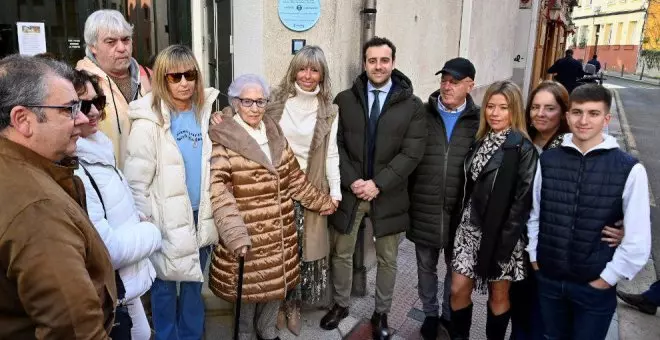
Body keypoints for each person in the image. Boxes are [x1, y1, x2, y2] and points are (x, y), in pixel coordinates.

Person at [207, 74, 336, 340]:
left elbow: (295, 180)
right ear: (235, 103)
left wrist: (324, 202)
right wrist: (234, 234)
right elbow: (219, 192)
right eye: (247, 102)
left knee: (275, 289)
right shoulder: (224, 138)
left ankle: (266, 332)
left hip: (279, 235)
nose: (254, 108)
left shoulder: (274, 134)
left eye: (260, 102)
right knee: (248, 294)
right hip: (248, 233)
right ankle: (245, 334)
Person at [0, 55, 116, 338]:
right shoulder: (38, 209)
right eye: (68, 109)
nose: (81, 118)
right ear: (23, 120)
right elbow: (74, 330)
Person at [321, 36, 427, 339]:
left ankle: (381, 313)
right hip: (351, 192)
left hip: (388, 194)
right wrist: (353, 180)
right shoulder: (345, 100)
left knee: (387, 259)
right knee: (340, 252)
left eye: (384, 60)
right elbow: (335, 145)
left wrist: (378, 184)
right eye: (372, 60)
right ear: (364, 63)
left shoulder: (412, 105)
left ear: (392, 62)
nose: (378, 66)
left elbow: (412, 153)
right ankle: (340, 304)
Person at [527, 84, 651, 340]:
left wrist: (607, 278)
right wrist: (535, 258)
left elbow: (638, 237)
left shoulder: (629, 169)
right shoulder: (548, 161)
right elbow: (536, 214)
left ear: (606, 119)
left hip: (594, 286)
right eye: (577, 112)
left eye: (593, 114)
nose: (583, 120)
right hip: (549, 279)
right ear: (568, 115)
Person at [509, 81, 624, 340]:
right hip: (518, 244)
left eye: (550, 108)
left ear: (563, 112)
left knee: (545, 321)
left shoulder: (571, 149)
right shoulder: (519, 139)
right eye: (535, 107)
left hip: (552, 251)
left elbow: (601, 195)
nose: (541, 113)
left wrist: (623, 228)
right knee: (520, 314)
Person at [123, 45, 219, 340]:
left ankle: (191, 335)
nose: (183, 83)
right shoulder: (148, 121)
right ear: (162, 78)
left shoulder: (205, 114)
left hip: (198, 214)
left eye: (189, 75)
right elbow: (137, 182)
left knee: (193, 284)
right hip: (162, 219)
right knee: (164, 287)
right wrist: (146, 224)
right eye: (174, 77)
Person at [71, 69, 163, 340]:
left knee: (143, 333)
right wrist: (152, 233)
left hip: (123, 285)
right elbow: (106, 250)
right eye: (80, 105)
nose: (93, 113)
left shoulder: (99, 149)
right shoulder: (78, 170)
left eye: (97, 102)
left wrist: (136, 219)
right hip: (109, 289)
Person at [449, 80, 537, 340]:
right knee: (458, 290)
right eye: (490, 106)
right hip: (469, 228)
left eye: (503, 107)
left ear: (515, 111)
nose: (495, 113)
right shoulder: (480, 141)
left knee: (499, 296)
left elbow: (522, 202)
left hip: (502, 235)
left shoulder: (523, 148)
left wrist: (503, 245)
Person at [266, 45, 341, 335]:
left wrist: (335, 192)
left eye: (314, 69)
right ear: (293, 69)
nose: (307, 75)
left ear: (322, 74)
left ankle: (293, 306)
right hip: (276, 189)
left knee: (301, 253)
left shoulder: (329, 111)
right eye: (302, 68)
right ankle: (276, 304)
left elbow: (332, 153)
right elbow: (244, 115)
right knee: (276, 251)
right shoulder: (274, 101)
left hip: (309, 189)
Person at [406, 57, 480, 340]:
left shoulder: (479, 120)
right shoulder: (422, 115)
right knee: (425, 268)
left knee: (455, 268)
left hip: (460, 213)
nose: (447, 86)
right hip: (424, 206)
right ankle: (430, 314)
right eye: (444, 80)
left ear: (470, 85)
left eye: (455, 81)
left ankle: (450, 315)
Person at [77, 9, 152, 168]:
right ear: (93, 47)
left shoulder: (149, 78)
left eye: (126, 40)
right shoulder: (79, 86)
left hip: (148, 184)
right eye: (111, 42)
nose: (121, 48)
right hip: (109, 182)